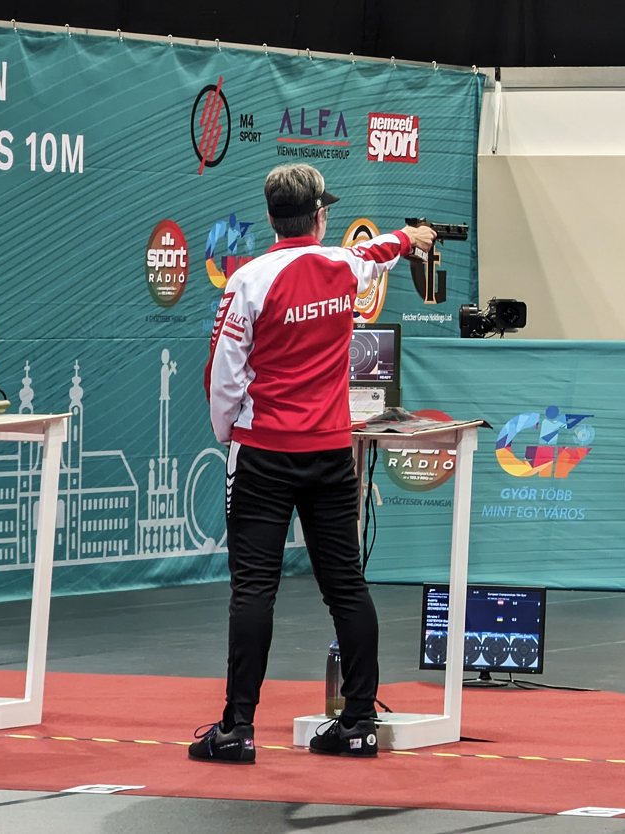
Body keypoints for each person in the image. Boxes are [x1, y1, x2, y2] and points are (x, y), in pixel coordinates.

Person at [189, 163, 436, 764]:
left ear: (272, 216)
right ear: (321, 215)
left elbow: (223, 375)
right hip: (329, 452)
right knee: (346, 587)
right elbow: (380, 251)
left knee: (253, 589)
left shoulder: (246, 281)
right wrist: (414, 239)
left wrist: (232, 434)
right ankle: (356, 723)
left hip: (264, 453)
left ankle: (238, 729)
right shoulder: (343, 266)